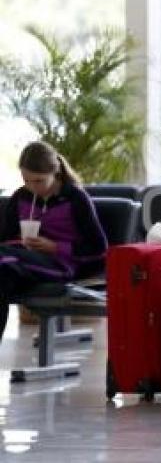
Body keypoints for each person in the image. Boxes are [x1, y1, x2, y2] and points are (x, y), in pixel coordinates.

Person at [0, 141, 107, 342]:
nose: (32, 187)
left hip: (62, 264)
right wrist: (22, 243)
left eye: (39, 181)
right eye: (26, 180)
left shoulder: (75, 199)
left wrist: (55, 247)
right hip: (22, 260)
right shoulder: (20, 197)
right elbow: (7, 239)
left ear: (54, 171)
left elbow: (99, 248)